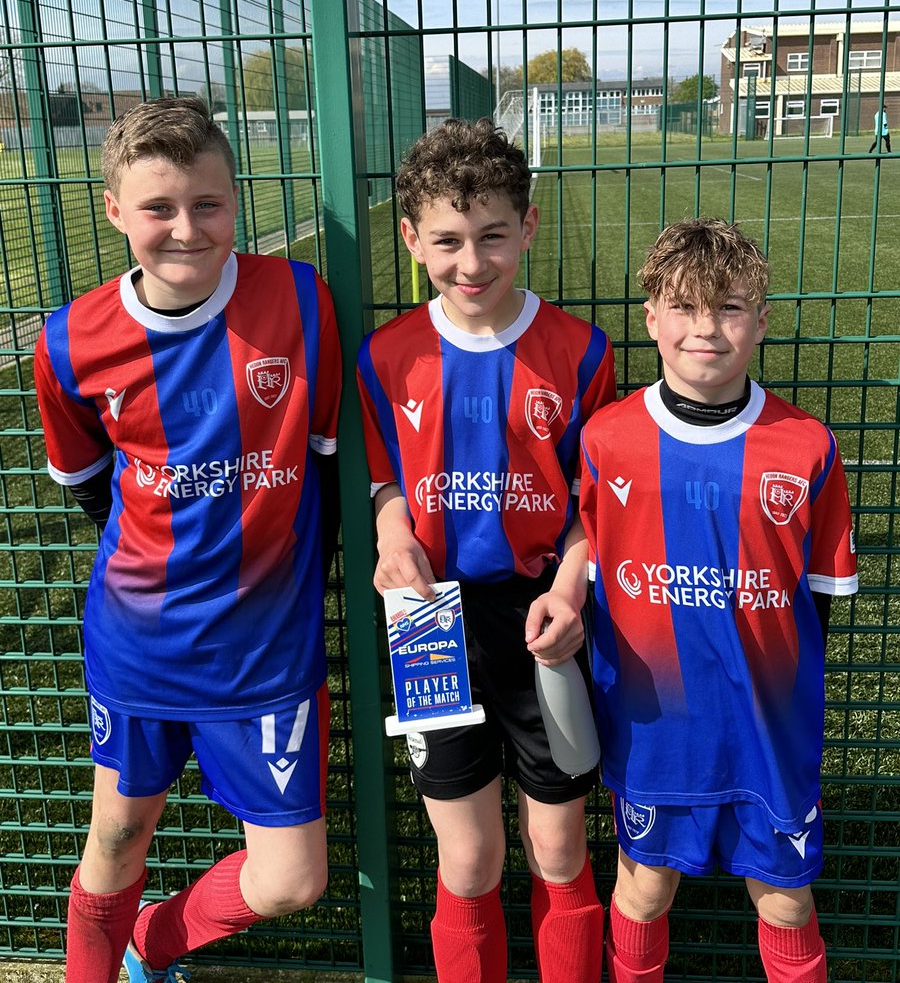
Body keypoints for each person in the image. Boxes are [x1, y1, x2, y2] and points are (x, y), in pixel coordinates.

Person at [33, 97, 342, 983]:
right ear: (115, 211)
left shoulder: (299, 302)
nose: (184, 228)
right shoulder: (71, 343)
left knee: (291, 880)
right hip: (141, 643)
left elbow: (321, 463)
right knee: (117, 835)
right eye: (158, 208)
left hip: (266, 654)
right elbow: (92, 486)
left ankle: (151, 943)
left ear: (236, 202)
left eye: (206, 204)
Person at [357, 117, 616, 983]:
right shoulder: (387, 358)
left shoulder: (580, 353)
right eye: (447, 241)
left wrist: (572, 592)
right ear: (411, 239)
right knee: (467, 858)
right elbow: (384, 480)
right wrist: (394, 529)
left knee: (557, 842)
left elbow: (591, 508)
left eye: (492, 236)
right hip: (428, 620)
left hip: (542, 614)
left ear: (529, 226)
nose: (471, 263)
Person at [579, 218, 858, 983]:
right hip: (656, 729)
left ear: (762, 321)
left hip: (767, 731)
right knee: (643, 889)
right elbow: (592, 571)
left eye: (731, 307)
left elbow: (821, 605)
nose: (707, 329)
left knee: (787, 903)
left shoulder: (807, 445)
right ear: (651, 318)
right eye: (685, 307)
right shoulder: (607, 440)